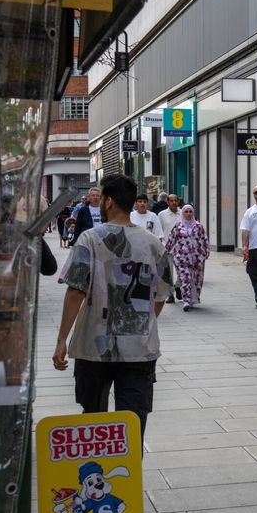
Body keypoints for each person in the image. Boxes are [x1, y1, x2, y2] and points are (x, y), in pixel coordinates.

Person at [51, 174, 172, 438]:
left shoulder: (89, 239)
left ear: (108, 202)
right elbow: (161, 296)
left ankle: (97, 473)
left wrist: (62, 339)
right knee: (133, 423)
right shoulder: (154, 244)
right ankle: (129, 476)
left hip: (93, 347)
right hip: (139, 349)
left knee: (93, 421)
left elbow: (75, 291)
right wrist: (143, 322)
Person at [165, 205, 210, 311]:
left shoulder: (199, 226)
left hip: (197, 258)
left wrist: (206, 252)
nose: (188, 214)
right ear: (183, 213)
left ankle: (193, 298)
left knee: (197, 279)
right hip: (181, 258)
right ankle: (186, 300)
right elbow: (171, 240)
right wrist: (164, 252)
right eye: (186, 212)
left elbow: (204, 239)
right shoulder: (178, 226)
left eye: (190, 212)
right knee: (185, 278)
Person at [158, 194, 183, 304]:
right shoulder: (162, 215)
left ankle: (178, 286)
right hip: (167, 248)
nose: (173, 202)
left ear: (178, 202)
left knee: (182, 272)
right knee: (169, 274)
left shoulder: (183, 213)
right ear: (167, 202)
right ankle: (170, 295)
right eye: (171, 200)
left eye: (175, 200)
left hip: (182, 249)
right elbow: (159, 231)